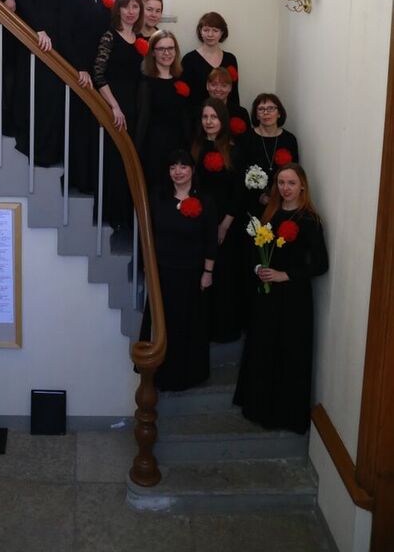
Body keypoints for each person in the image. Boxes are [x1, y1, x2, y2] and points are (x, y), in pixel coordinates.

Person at [234, 164, 329, 433]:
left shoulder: (309, 220)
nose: (285, 188)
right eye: (281, 182)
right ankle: (258, 406)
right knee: (263, 347)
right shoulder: (270, 214)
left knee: (288, 351)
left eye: (291, 183)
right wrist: (258, 268)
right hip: (267, 296)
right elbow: (255, 251)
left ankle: (283, 414)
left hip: (293, 298)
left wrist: (284, 275)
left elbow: (320, 265)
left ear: (302, 186)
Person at [140, 150, 217, 391]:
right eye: (173, 167)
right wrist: (148, 267)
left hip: (192, 274)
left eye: (183, 166)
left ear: (192, 170)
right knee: (163, 325)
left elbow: (211, 240)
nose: (178, 172)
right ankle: (161, 376)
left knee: (189, 326)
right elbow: (148, 234)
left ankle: (189, 376)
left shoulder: (206, 200)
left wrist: (208, 272)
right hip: (163, 273)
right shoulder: (158, 196)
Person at [14, 0, 75, 164]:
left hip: (57, 35)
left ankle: (51, 150)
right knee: (43, 95)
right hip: (41, 36)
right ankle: (38, 151)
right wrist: (38, 29)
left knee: (54, 96)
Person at [58, 0, 112, 193]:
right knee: (79, 126)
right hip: (78, 69)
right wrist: (79, 67)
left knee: (96, 126)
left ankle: (95, 180)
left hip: (100, 69)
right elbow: (65, 34)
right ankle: (79, 180)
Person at [93, 0, 146, 235]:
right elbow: (99, 75)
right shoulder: (109, 36)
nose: (131, 11)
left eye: (135, 7)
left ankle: (126, 217)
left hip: (135, 107)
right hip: (115, 107)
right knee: (114, 162)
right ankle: (111, 216)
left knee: (131, 163)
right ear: (118, 10)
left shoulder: (140, 38)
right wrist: (114, 107)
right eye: (126, 6)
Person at [191, 97, 244, 342]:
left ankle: (223, 330)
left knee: (223, 275)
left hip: (226, 221)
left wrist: (224, 224)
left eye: (213, 117)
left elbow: (238, 192)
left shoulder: (234, 150)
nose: (209, 121)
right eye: (205, 117)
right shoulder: (195, 146)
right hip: (200, 219)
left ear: (222, 120)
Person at [136, 30, 190, 188]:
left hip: (179, 145)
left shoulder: (181, 77)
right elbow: (143, 119)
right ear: (153, 52)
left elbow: (185, 115)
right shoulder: (146, 82)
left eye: (171, 48)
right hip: (155, 147)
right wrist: (136, 151)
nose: (167, 53)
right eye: (161, 49)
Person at [242, 93, 300, 212]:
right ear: (256, 115)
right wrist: (259, 196)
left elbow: (295, 172)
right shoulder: (246, 138)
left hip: (282, 199)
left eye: (271, 108)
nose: (266, 113)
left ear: (279, 113)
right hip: (250, 200)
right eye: (261, 109)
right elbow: (240, 172)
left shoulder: (289, 139)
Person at [181, 11, 240, 107]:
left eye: (215, 31)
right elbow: (184, 96)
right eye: (206, 30)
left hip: (225, 114)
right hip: (197, 114)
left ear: (222, 33)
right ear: (200, 32)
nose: (210, 34)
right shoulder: (189, 60)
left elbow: (234, 94)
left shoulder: (230, 59)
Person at [204, 67, 250, 138]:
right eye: (214, 84)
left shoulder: (241, 113)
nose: (218, 89)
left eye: (224, 85)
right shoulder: (198, 113)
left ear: (230, 88)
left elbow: (248, 141)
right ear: (207, 86)